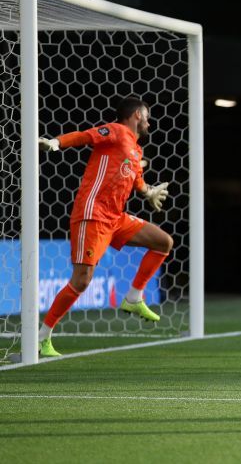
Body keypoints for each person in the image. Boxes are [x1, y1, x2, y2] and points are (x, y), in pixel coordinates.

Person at [37, 97, 172, 357]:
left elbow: (137, 181)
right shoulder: (116, 131)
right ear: (135, 116)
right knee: (82, 280)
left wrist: (149, 192)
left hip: (115, 217)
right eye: (146, 116)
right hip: (93, 214)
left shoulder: (135, 150)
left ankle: (133, 297)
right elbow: (86, 136)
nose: (149, 121)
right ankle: (42, 336)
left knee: (163, 242)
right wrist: (56, 142)